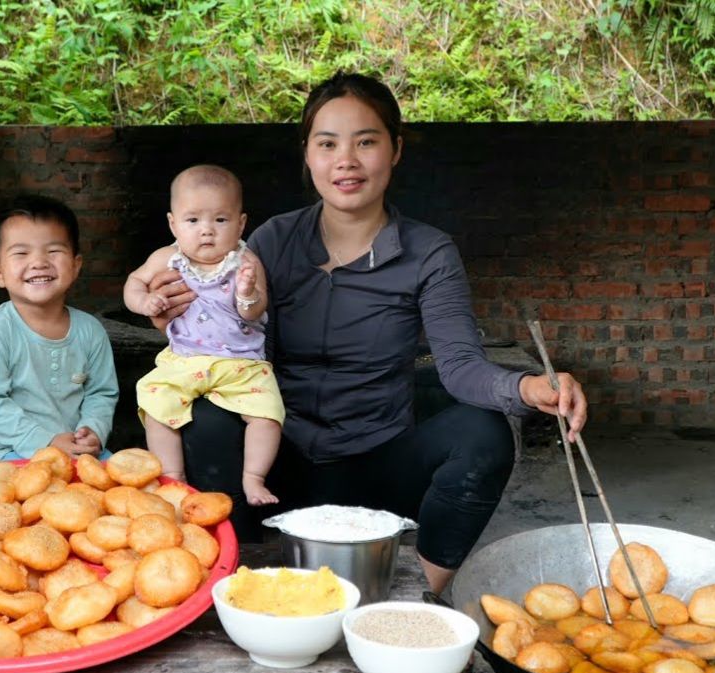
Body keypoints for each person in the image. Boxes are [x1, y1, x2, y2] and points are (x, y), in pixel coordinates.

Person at [148, 71, 588, 593]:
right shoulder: (272, 239)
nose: (346, 160)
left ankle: (418, 593)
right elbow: (222, 328)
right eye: (327, 143)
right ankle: (235, 576)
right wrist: (168, 311)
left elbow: (461, 367)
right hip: (275, 462)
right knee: (206, 419)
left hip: (381, 464)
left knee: (484, 433)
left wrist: (527, 387)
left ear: (395, 150)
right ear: (308, 155)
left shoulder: (429, 252)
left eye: (366, 141)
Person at [123, 165, 284, 504]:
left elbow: (255, 310)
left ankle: (253, 479)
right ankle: (173, 477)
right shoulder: (167, 258)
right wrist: (144, 302)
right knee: (155, 403)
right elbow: (133, 282)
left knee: (268, 414)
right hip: (184, 360)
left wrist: (247, 292)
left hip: (240, 364)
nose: (207, 231)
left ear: (240, 224)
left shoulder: (246, 262)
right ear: (173, 224)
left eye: (220, 221)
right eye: (193, 220)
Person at [0, 194, 119, 462]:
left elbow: (101, 392)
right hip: (12, 454)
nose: (39, 262)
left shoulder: (90, 331)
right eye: (21, 253)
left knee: (122, 488)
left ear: (75, 265)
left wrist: (93, 431)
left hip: (78, 451)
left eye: (53, 251)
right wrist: (46, 442)